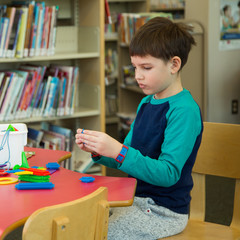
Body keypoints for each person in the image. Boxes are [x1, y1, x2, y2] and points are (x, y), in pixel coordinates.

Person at [75, 17, 203, 240]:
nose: (137, 76)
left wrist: (118, 150)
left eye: (146, 68)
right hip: (133, 200)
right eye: (135, 67)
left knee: (99, 233)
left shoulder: (184, 111)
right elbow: (125, 157)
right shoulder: (147, 103)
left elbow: (168, 173)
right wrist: (98, 150)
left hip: (164, 211)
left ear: (174, 64)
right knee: (79, 221)